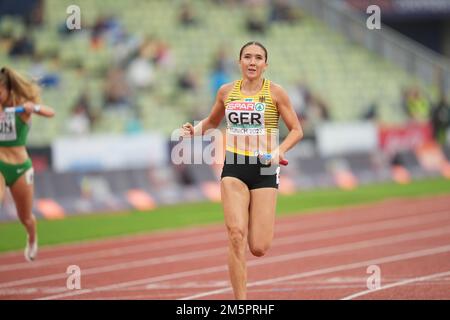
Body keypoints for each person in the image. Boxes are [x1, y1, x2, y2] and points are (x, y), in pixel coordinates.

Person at [180, 41, 303, 299]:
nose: (252, 62)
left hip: (265, 169)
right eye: (247, 57)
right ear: (239, 62)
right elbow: (213, 121)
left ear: (265, 65)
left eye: (258, 58)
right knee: (236, 235)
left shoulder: (276, 93)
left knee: (258, 246)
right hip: (234, 166)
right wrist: (195, 130)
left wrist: (280, 150)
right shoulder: (226, 92)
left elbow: (297, 130)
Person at [0, 67, 55, 262]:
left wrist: (34, 108)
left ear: (8, 90)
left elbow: (51, 112)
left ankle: (32, 238)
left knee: (25, 217)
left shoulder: (21, 106)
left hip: (20, 168)